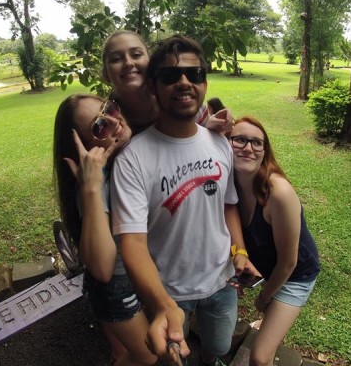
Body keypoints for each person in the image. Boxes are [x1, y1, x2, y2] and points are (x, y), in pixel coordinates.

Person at [110, 36, 259, 366]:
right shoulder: (133, 158)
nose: (184, 82)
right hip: (168, 291)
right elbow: (132, 243)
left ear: (204, 83)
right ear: (153, 86)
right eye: (169, 76)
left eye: (194, 74)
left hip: (222, 282)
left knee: (218, 345)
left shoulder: (219, 142)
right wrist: (163, 304)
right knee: (173, 355)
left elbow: (228, 204)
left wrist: (240, 251)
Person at [53, 94, 157, 366]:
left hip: (135, 273)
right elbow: (102, 269)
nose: (114, 121)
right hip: (116, 288)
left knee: (123, 352)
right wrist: (90, 188)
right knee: (147, 356)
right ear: (87, 147)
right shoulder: (97, 183)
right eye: (99, 126)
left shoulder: (128, 153)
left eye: (109, 108)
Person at [228, 117, 320, 366]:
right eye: (240, 140)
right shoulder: (230, 182)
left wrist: (265, 297)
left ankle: (270, 320)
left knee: (260, 358)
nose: (248, 148)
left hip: (296, 275)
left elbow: (289, 262)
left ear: (265, 151)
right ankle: (270, 322)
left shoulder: (278, 193)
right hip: (269, 267)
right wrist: (239, 256)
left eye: (257, 143)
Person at [101, 30, 231, 134]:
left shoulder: (177, 98)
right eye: (116, 59)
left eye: (136, 55)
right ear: (106, 73)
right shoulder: (105, 119)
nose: (128, 63)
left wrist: (211, 127)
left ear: (151, 62)